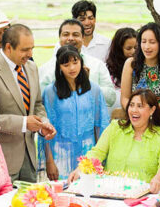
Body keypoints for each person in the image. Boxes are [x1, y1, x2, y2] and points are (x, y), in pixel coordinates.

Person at [0, 24, 56, 183]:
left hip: (30, 159)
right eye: (25, 50)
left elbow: (37, 104)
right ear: (9, 47)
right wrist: (24, 123)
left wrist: (43, 124)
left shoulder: (31, 67)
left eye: (32, 48)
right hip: (1, 160)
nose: (30, 54)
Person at [69, 89, 160, 194]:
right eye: (131, 105)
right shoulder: (115, 127)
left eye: (140, 106)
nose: (134, 110)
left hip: (143, 194)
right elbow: (97, 152)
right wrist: (81, 168)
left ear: (152, 110)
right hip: (110, 192)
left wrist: (158, 179)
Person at [37, 45, 109, 180]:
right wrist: (49, 161)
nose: (72, 68)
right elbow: (46, 129)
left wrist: (100, 159)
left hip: (88, 151)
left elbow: (101, 125)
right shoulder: (50, 92)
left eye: (75, 62)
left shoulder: (94, 90)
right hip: (60, 152)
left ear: (81, 62)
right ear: (59, 67)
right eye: (66, 64)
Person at [39, 19, 115, 107]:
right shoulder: (46, 69)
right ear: (59, 38)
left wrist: (87, 84)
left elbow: (111, 98)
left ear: (83, 38)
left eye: (75, 35)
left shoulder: (97, 65)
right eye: (66, 34)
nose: (70, 38)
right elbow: (41, 102)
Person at [121, 22, 160, 111]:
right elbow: (124, 98)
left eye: (152, 42)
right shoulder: (130, 63)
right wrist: (135, 111)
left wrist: (151, 111)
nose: (147, 47)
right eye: (143, 42)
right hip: (135, 116)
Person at [106, 27, 137, 112]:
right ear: (119, 50)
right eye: (128, 48)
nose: (133, 51)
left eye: (136, 47)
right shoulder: (108, 70)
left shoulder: (142, 67)